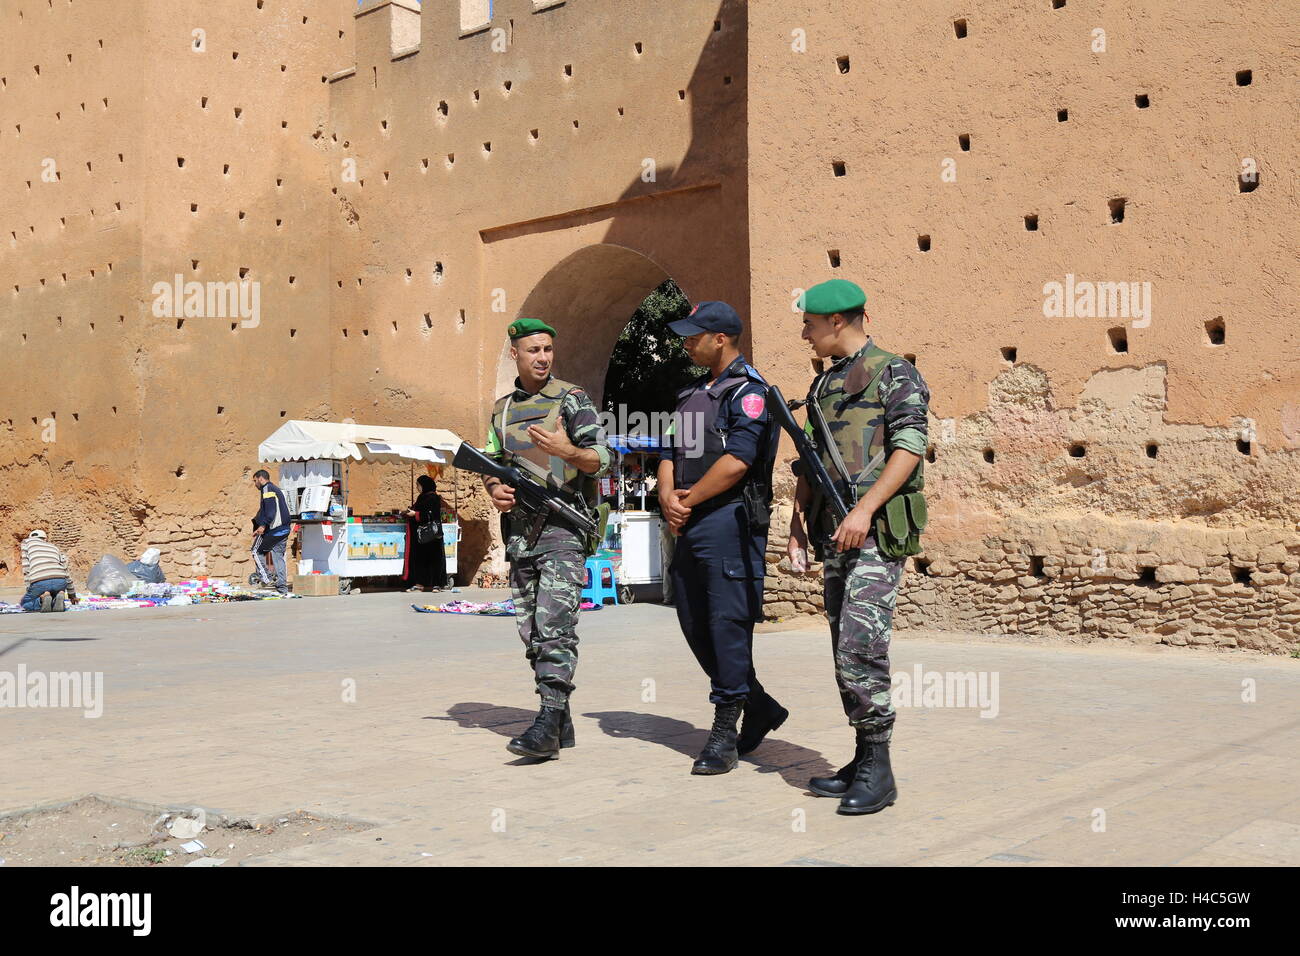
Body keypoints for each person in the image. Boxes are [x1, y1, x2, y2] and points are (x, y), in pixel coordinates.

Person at [786, 278, 930, 815]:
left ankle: (879, 767)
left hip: (877, 530)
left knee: (859, 644)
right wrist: (798, 525)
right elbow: (810, 460)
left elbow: (910, 446)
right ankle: (861, 754)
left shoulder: (895, 373)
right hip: (833, 532)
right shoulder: (824, 388)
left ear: (838, 321)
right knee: (840, 645)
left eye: (810, 324)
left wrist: (866, 508)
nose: (805, 334)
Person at [657, 301, 786, 776]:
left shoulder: (748, 392)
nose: (686, 343)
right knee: (693, 620)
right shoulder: (692, 394)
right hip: (690, 520)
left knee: (727, 624)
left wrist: (687, 503)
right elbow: (672, 450)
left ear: (721, 338)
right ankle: (761, 705)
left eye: (694, 335)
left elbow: (738, 462)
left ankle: (724, 729)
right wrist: (668, 496)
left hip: (729, 520)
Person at [483, 318, 612, 761]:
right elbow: (493, 462)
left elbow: (602, 459)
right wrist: (493, 489)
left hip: (563, 528)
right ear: (515, 355)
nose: (542, 358)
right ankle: (560, 720)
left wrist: (568, 452)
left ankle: (547, 720)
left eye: (547, 350)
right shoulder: (501, 410)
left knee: (556, 626)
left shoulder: (571, 399)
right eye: (533, 350)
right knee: (532, 631)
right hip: (520, 534)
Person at [251, 469, 292, 595]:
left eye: (255, 481)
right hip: (284, 529)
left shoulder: (267, 489)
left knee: (256, 551)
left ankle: (266, 577)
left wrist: (263, 525)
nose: (255, 484)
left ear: (261, 478)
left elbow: (271, 511)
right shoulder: (275, 489)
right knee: (278, 557)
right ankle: (282, 588)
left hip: (274, 530)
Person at [404, 474, 447, 592]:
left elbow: (431, 515)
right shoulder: (422, 497)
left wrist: (415, 514)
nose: (417, 487)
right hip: (422, 536)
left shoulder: (433, 498)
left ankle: (436, 584)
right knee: (422, 560)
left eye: (418, 485)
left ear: (424, 485)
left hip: (431, 535)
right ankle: (420, 583)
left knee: (434, 559)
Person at [20, 530, 74, 612]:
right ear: (45, 539)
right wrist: (72, 595)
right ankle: (60, 594)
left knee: (25, 603)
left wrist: (29, 589)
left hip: (40, 581)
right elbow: (66, 570)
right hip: (60, 580)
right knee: (54, 592)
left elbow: (26, 568)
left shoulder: (26, 543)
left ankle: (42, 599)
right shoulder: (54, 547)